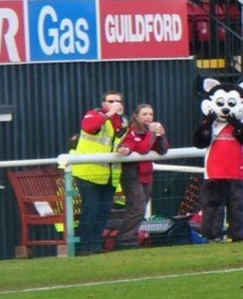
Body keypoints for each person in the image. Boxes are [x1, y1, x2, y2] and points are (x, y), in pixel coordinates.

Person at [72, 91, 129, 255]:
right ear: (104, 103)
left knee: (103, 212)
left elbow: (126, 140)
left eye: (118, 101)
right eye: (111, 101)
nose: (115, 104)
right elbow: (89, 127)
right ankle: (82, 247)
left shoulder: (124, 122)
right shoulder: (93, 114)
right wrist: (110, 113)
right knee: (91, 211)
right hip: (87, 172)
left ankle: (96, 246)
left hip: (109, 175)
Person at [114, 104, 170, 250]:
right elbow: (143, 149)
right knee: (137, 208)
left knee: (141, 208)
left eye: (150, 114)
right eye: (144, 114)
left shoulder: (148, 132)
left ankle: (130, 239)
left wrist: (160, 136)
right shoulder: (131, 131)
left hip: (146, 174)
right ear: (136, 116)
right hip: (131, 174)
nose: (148, 117)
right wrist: (152, 134)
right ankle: (124, 241)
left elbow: (163, 150)